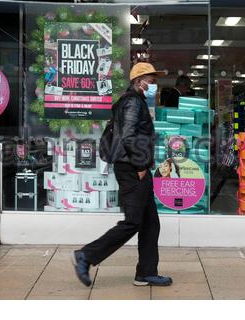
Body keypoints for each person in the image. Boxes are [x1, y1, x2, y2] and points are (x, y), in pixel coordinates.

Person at [72, 62, 173, 287]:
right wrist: (139, 167)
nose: (154, 85)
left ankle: (146, 273)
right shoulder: (132, 102)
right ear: (139, 82)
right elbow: (128, 137)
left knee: (150, 223)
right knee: (132, 222)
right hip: (132, 169)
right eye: (152, 81)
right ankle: (86, 256)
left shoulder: (135, 101)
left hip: (136, 168)